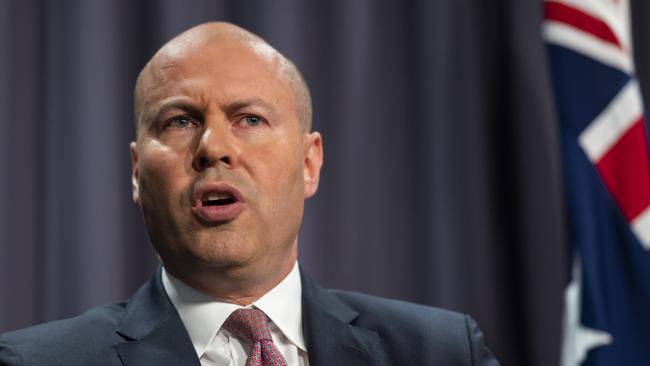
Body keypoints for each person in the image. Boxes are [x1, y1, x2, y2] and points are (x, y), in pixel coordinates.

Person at [0, 22, 500, 366]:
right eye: (179, 121)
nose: (213, 147)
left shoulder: (443, 352)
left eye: (250, 119)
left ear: (309, 163)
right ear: (136, 173)